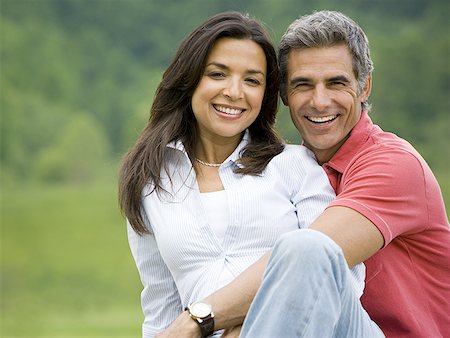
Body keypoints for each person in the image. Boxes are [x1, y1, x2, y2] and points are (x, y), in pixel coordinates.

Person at [160, 10, 450, 338]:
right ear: (283, 93)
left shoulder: (392, 165)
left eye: (336, 83)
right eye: (303, 85)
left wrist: (197, 320)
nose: (320, 101)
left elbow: (308, 263)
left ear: (364, 87)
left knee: (307, 249)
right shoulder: (295, 169)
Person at [118, 11, 357, 338]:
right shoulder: (151, 182)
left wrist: (250, 322)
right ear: (190, 80)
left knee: (305, 248)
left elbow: (341, 276)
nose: (234, 92)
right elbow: (162, 312)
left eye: (252, 80)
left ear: (266, 94)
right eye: (218, 74)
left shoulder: (295, 165)